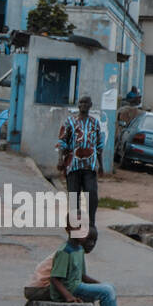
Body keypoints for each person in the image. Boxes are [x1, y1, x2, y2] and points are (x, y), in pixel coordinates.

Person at [49, 224, 134, 306]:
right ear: (68, 230)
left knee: (109, 288)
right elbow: (55, 279)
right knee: (107, 291)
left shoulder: (78, 249)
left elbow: (82, 276)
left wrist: (100, 285)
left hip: (77, 286)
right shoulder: (65, 251)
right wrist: (68, 297)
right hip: (69, 291)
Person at [58, 95, 104, 228]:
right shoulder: (70, 122)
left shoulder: (95, 123)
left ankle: (91, 224)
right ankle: (74, 225)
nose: (83, 105)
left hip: (90, 166)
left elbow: (99, 146)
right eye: (81, 102)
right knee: (74, 196)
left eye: (86, 103)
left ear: (90, 105)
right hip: (73, 165)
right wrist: (60, 160)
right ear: (78, 105)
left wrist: (101, 165)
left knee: (92, 194)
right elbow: (62, 141)